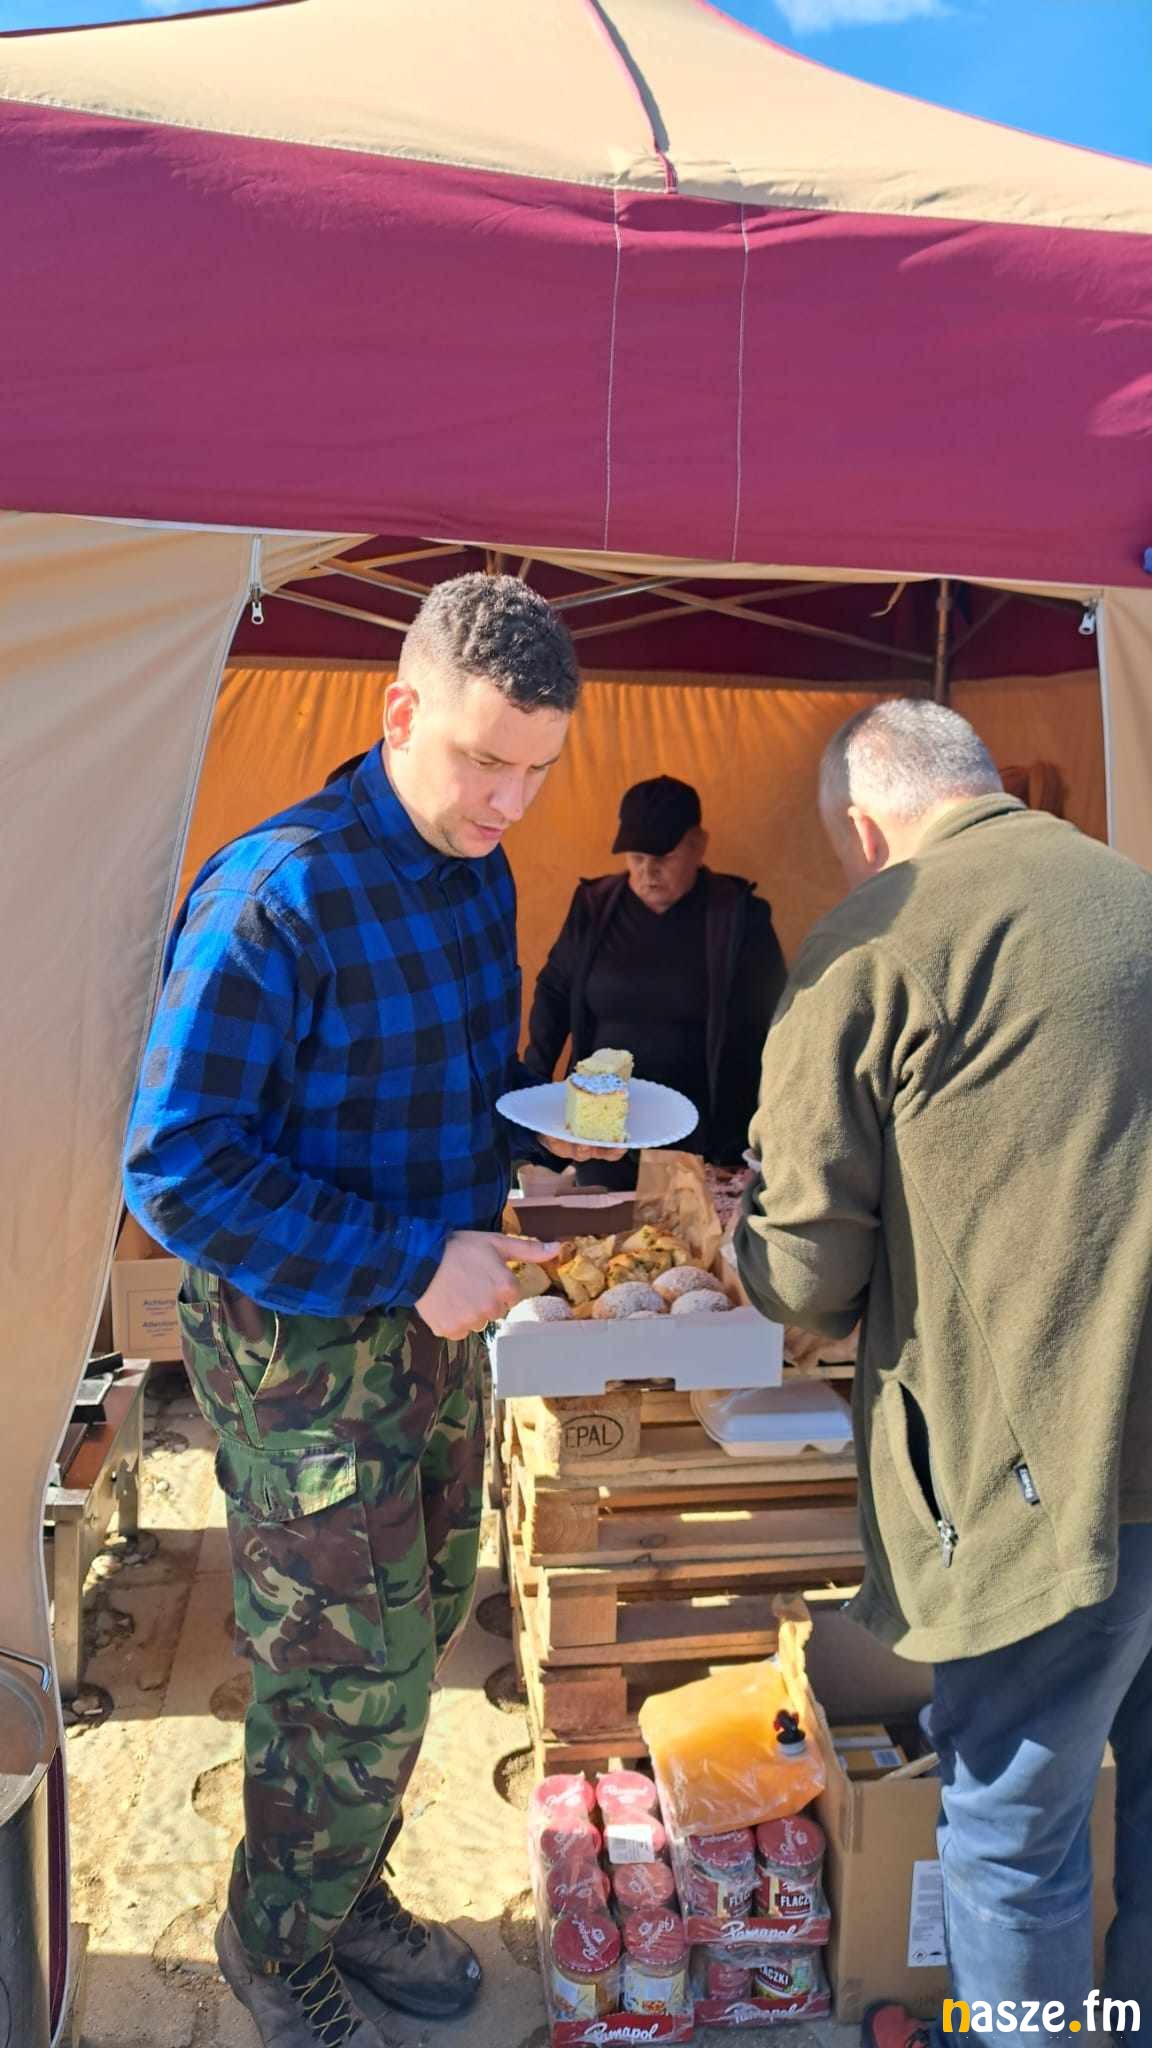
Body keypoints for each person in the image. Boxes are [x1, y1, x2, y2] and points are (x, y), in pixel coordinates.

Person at [122, 575, 617, 2048]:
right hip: (300, 1356)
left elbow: (445, 1082)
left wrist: (528, 1136)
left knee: (419, 1644)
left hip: (429, 1337)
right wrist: (410, 1258)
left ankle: (339, 1892)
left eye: (537, 769)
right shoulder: (276, 895)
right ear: (400, 712)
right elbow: (177, 1167)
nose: (511, 802)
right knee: (346, 1677)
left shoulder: (478, 872)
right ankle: (274, 1945)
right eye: (485, 761)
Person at [735, 700, 1152, 2048]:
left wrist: (746, 1236)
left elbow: (806, 1272)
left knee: (1014, 1837)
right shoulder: (1133, 899)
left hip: (1049, 1471)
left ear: (864, 828)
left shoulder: (876, 939)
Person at [526, 774, 787, 1185]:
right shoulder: (594, 907)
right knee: (602, 1223)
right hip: (604, 1130)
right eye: (636, 858)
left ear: (698, 845)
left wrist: (760, 1131)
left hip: (703, 1134)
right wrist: (534, 1091)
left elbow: (774, 1022)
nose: (648, 872)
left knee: (681, 1226)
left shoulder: (738, 916)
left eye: (663, 857)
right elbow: (554, 993)